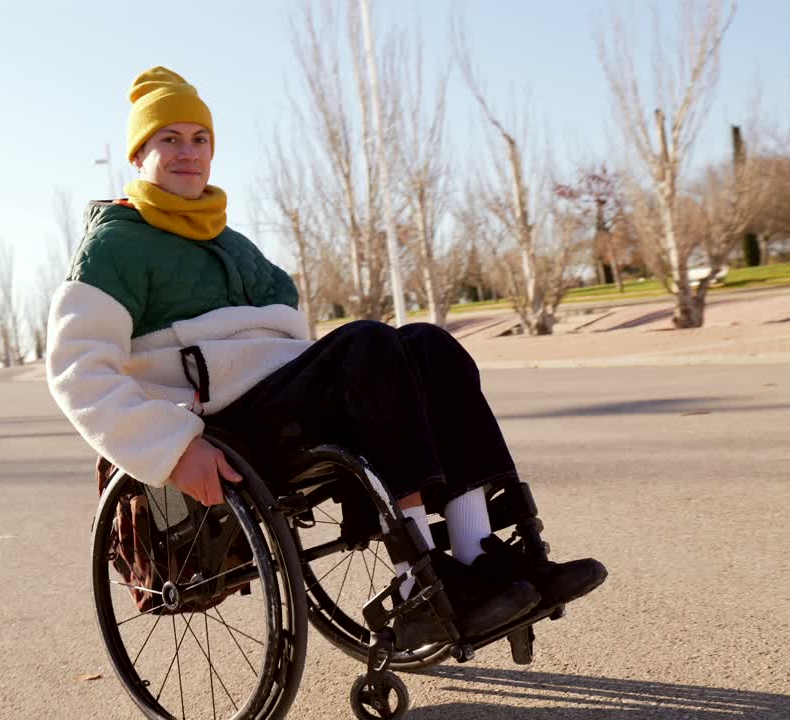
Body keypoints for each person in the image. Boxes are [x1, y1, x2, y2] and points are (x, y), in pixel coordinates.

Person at [46, 66, 605, 649]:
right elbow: (76, 369)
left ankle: (479, 554)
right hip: (224, 420)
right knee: (368, 343)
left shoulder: (235, 245)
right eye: (169, 139)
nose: (188, 152)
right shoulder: (115, 244)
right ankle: (419, 577)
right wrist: (172, 447)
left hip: (281, 394)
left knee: (429, 346)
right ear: (139, 155)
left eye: (200, 139)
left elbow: (290, 342)